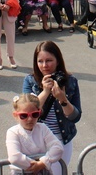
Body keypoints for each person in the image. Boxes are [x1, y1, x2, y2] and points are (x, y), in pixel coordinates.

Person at [21, 41, 80, 174]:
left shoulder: (70, 81)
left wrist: (63, 99)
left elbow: (75, 116)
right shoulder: (30, 81)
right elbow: (27, 112)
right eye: (40, 61)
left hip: (62, 139)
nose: (44, 65)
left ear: (58, 61)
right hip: (37, 142)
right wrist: (45, 92)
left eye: (49, 60)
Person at [6, 93, 64, 175]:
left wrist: (43, 163)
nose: (30, 119)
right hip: (20, 172)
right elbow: (14, 157)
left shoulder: (42, 128)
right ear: (15, 115)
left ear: (39, 113)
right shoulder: (13, 132)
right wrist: (34, 166)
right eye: (24, 116)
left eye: (34, 114)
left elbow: (58, 147)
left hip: (42, 171)